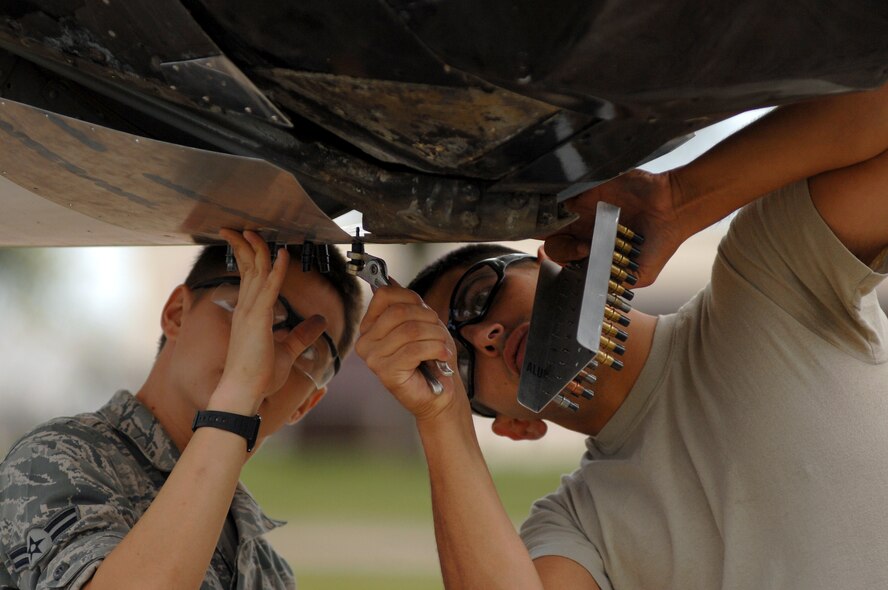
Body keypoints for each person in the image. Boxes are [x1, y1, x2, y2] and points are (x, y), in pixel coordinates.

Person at [356, 82, 888, 589]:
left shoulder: (768, 280)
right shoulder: (580, 527)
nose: (481, 336)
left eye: (479, 294)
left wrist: (679, 198)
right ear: (517, 428)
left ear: (545, 261)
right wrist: (439, 414)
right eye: (455, 361)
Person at [0, 230, 362, 589]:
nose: (264, 350)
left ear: (307, 404)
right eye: (248, 310)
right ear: (177, 314)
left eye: (308, 349)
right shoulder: (57, 458)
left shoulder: (266, 571)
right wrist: (238, 393)